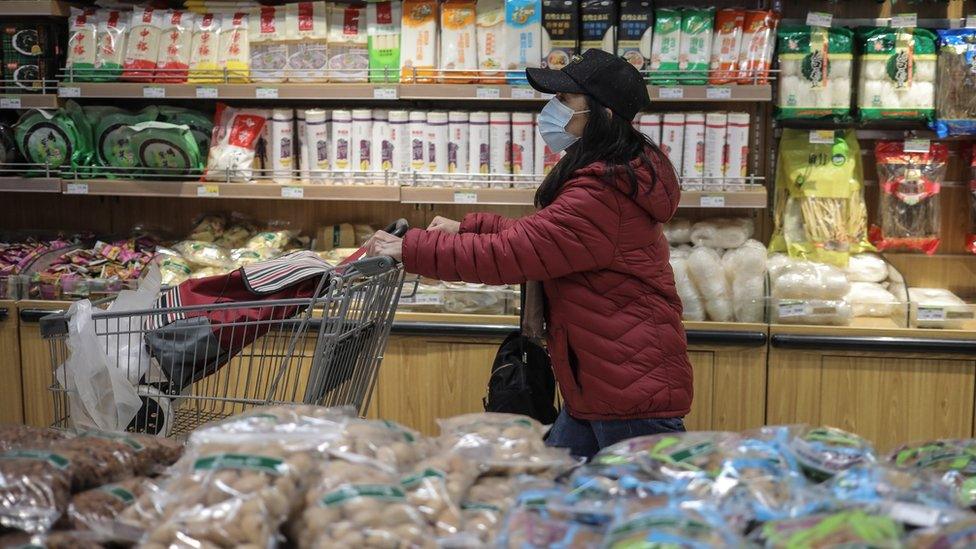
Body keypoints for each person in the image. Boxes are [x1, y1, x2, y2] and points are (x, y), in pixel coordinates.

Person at [368, 49, 693, 459]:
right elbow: (546, 240)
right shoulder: (608, 171)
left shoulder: (603, 192)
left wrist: (411, 248)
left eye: (565, 100)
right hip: (604, 378)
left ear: (603, 114)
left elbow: (516, 253)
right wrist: (467, 228)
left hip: (629, 388)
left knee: (641, 513)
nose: (552, 108)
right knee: (554, 499)